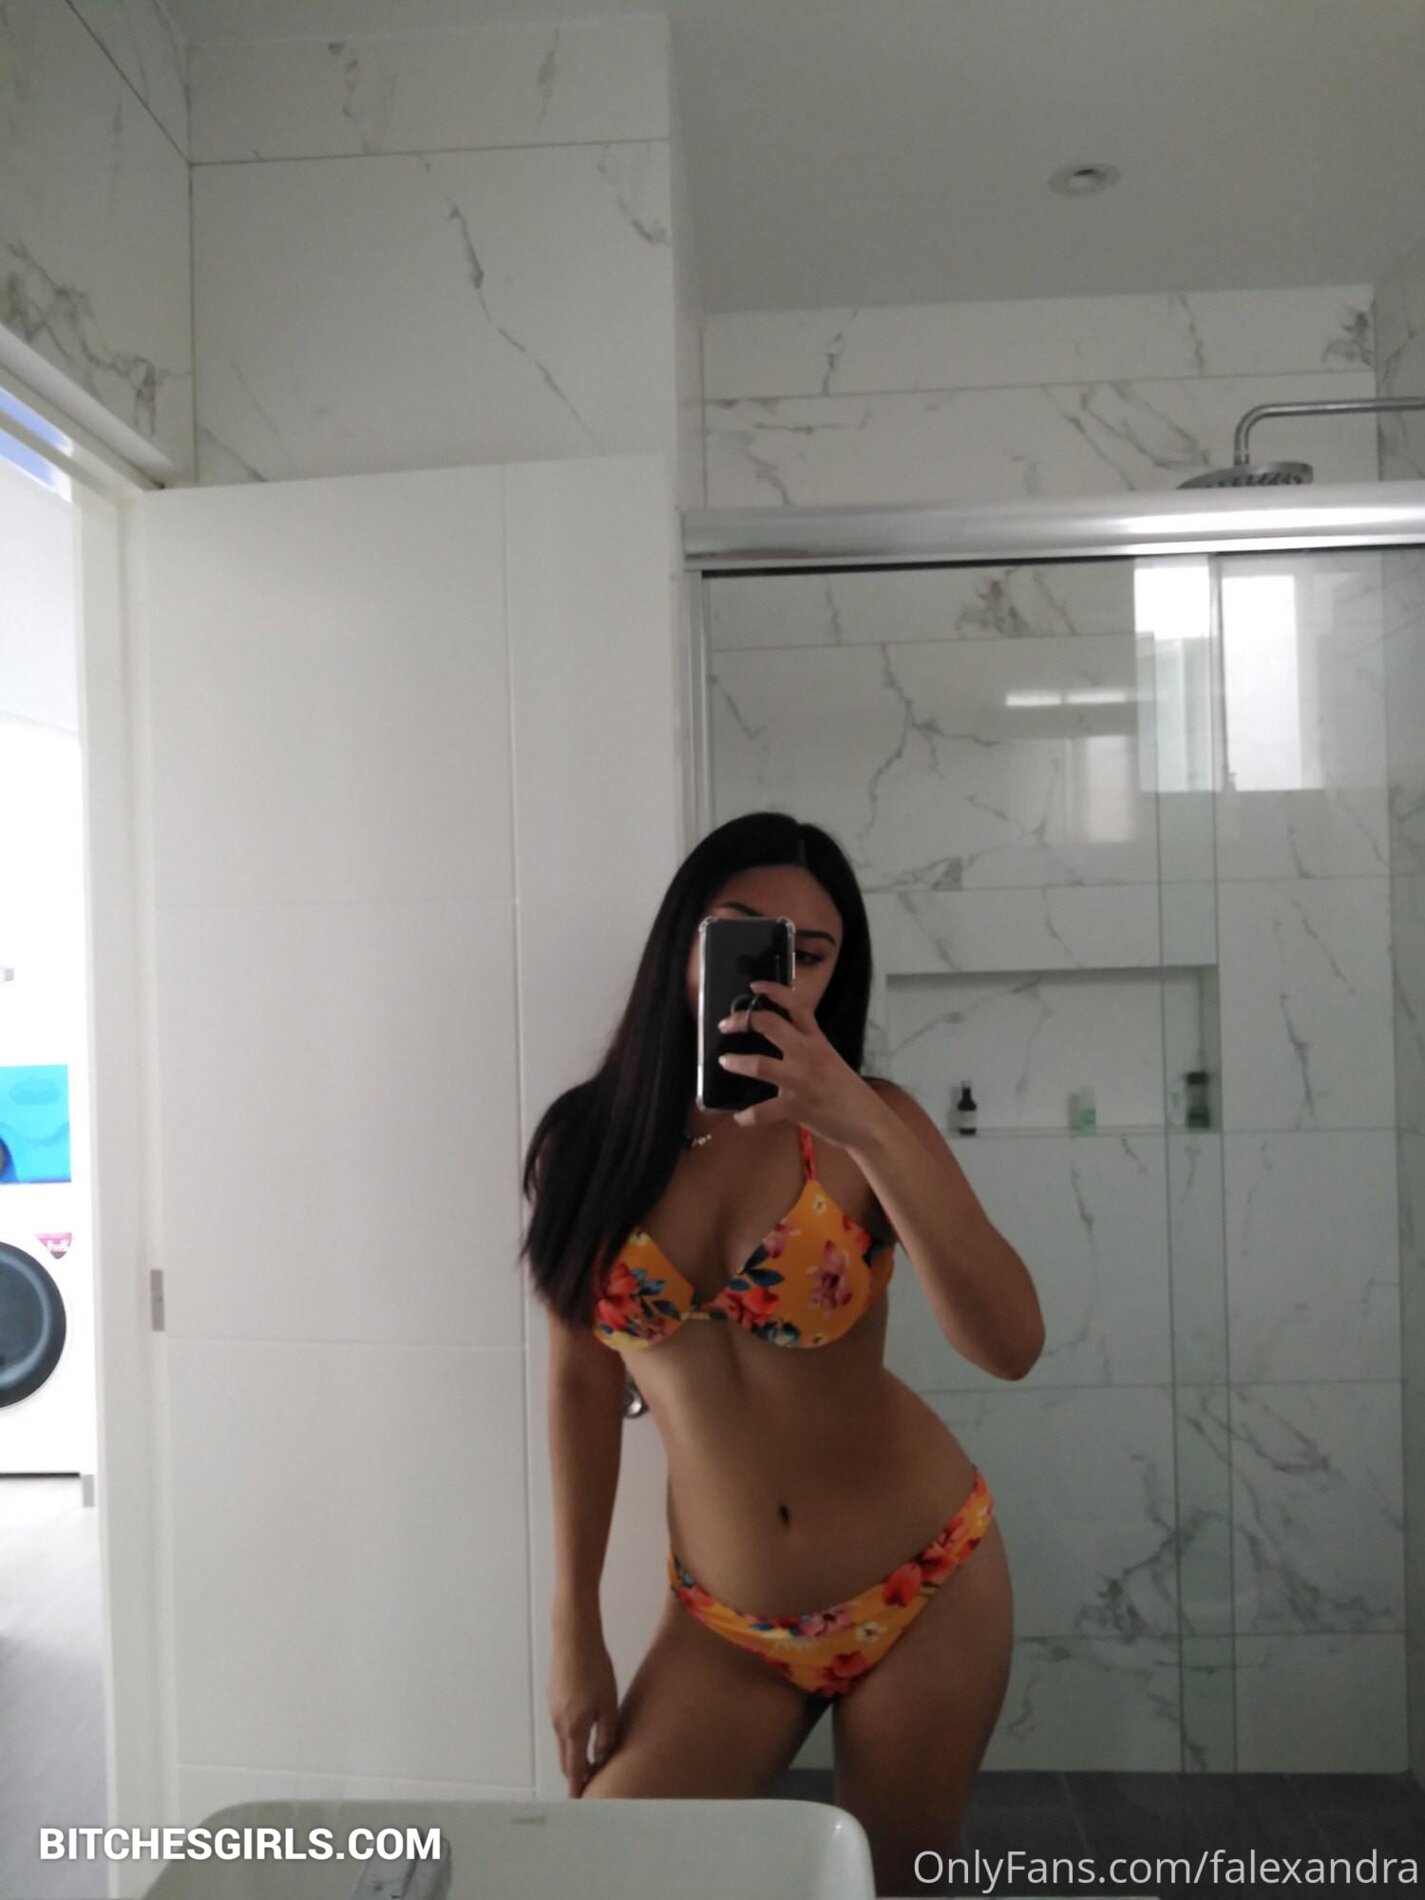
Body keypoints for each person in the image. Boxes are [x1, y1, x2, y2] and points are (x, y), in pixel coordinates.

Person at [521, 811, 1044, 1896]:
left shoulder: (869, 1127)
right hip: (724, 1626)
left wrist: (865, 1123)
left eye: (810, 954)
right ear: (684, 941)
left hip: (924, 1585)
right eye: (746, 936)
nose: (778, 973)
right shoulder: (588, 1144)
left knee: (888, 1888)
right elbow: (580, 1381)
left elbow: (1011, 1345)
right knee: (594, 1877)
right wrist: (575, 1625)